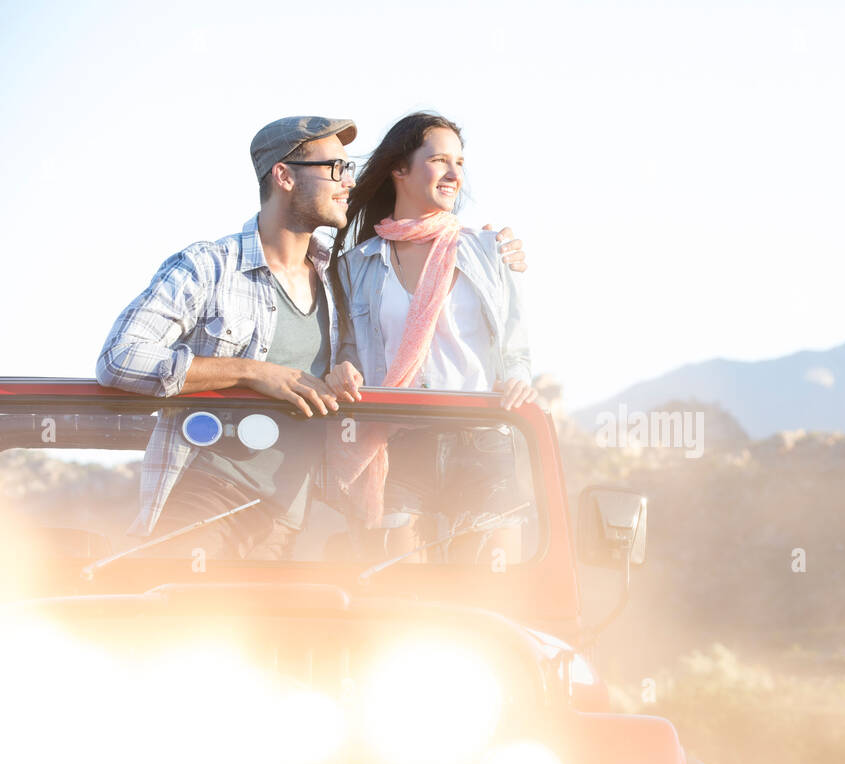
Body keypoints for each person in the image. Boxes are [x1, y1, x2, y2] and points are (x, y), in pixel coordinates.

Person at [95, 115, 529, 553]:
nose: (348, 183)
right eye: (335, 169)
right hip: (207, 495)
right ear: (283, 176)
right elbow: (120, 359)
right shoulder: (210, 266)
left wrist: (493, 250)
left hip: (287, 516)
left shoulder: (336, 276)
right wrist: (252, 372)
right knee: (191, 618)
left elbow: (359, 360)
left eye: (350, 169)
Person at [328, 112, 536, 554]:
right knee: (401, 591)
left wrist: (519, 376)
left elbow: (516, 345)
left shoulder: (489, 250)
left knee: (489, 593)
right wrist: (343, 369)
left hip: (483, 439)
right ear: (399, 169)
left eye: (459, 163)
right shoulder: (356, 265)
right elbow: (347, 350)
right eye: (439, 160)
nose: (454, 174)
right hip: (402, 441)